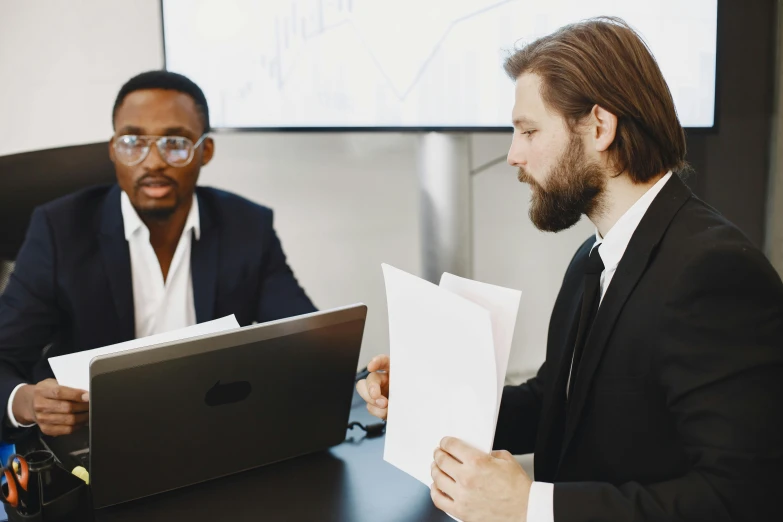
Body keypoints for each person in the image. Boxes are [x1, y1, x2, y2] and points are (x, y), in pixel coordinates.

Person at [358, 17, 783, 522]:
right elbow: (556, 404)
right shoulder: (593, 257)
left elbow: (746, 498)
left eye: (528, 130)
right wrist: (425, 396)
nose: (513, 155)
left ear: (599, 127)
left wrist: (529, 505)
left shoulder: (713, 273)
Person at [0, 70, 316, 441]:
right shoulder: (59, 230)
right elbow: (4, 358)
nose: (152, 162)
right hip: (101, 441)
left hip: (214, 431)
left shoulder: (247, 226)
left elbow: (305, 339)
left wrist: (361, 374)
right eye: (133, 142)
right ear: (113, 149)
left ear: (205, 151)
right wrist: (28, 402)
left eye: (175, 143)